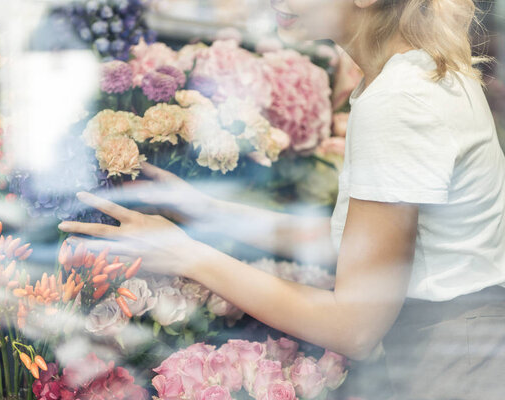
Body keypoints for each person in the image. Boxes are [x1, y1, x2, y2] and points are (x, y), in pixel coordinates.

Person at [58, 0, 505, 398]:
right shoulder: (417, 73)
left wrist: (185, 255)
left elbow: (355, 327)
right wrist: (208, 211)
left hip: (453, 360)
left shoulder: (399, 100)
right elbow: (359, 245)